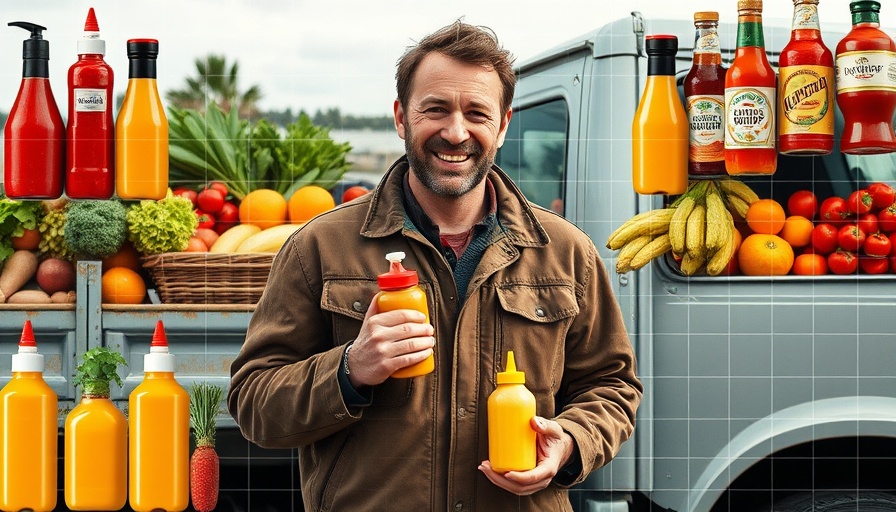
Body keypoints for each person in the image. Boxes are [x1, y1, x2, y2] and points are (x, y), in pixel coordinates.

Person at [228, 20, 642, 511]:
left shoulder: (566, 252)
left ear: (504, 124)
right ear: (402, 117)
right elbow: (255, 403)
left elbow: (612, 386)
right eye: (436, 109)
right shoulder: (318, 248)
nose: (456, 132)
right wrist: (349, 369)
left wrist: (572, 442)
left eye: (476, 113)